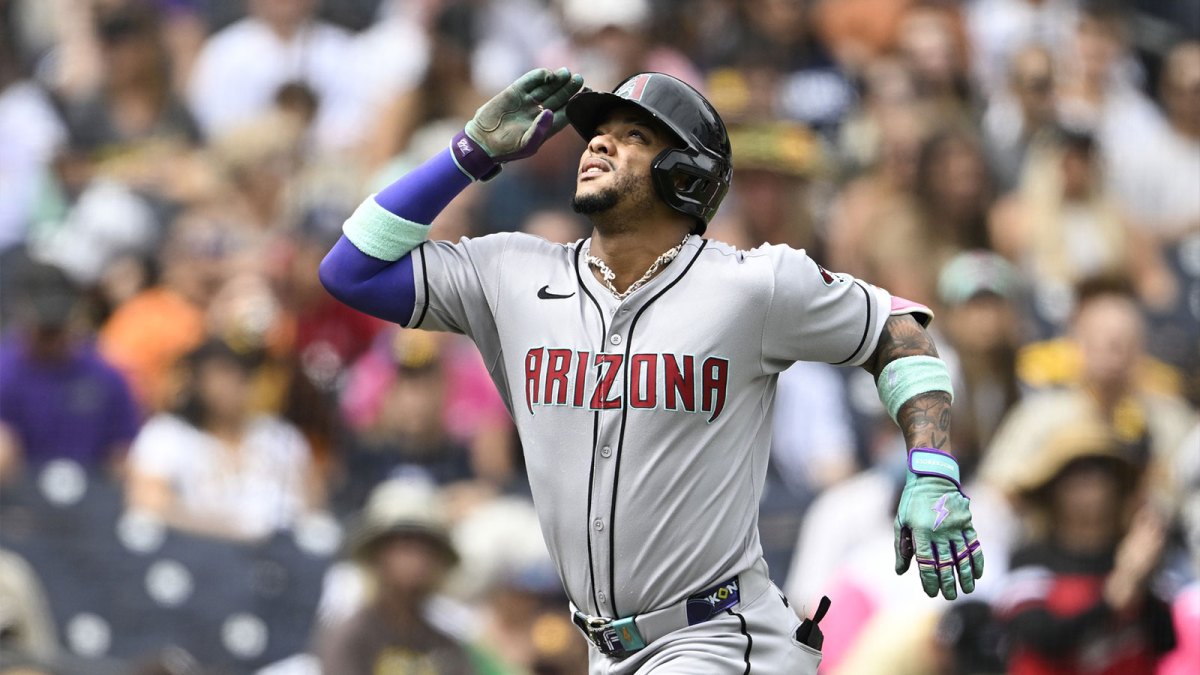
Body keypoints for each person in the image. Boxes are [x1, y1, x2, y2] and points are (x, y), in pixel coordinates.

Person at [319, 68, 983, 673]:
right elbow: (348, 270)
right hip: (604, 649)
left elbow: (898, 327)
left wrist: (932, 467)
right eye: (598, 133)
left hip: (719, 639)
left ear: (687, 175)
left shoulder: (752, 286)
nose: (599, 145)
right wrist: (470, 155)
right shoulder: (512, 274)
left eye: (632, 136)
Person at [996, 424, 1176, 674]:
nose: (1090, 486)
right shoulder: (1030, 558)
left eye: (1100, 473)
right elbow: (1041, 637)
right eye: (1076, 475)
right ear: (1052, 489)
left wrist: (1140, 580)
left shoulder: (1137, 556)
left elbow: (1167, 641)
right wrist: (1115, 592)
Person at [125, 339, 325, 541]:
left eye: (241, 375)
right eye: (220, 374)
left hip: (280, 552)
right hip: (199, 551)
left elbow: (312, 505)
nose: (230, 385)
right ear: (196, 381)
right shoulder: (168, 434)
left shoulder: (282, 436)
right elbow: (148, 503)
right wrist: (233, 527)